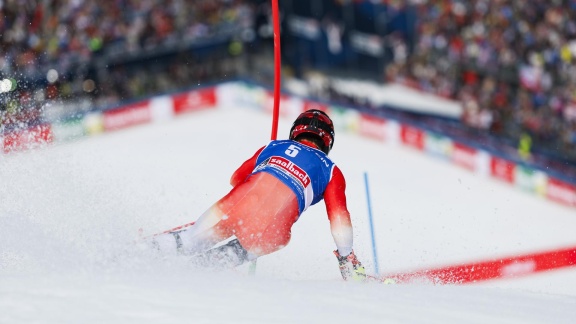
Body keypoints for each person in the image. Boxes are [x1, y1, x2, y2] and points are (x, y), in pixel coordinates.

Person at [150, 109, 366, 281]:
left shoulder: (275, 145)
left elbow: (236, 178)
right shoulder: (331, 170)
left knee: (189, 241)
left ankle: (137, 253)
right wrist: (346, 257)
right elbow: (339, 218)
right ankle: (193, 275)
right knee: (220, 259)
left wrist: (268, 167)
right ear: (328, 141)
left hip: (237, 205)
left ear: (295, 131)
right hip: (274, 233)